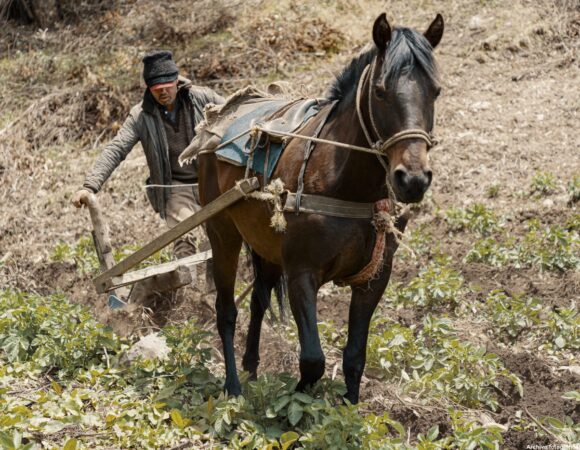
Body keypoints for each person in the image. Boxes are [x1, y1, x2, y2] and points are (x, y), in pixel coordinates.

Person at [72, 50, 223, 292]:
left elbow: (236, 115)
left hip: (211, 182)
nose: (163, 92)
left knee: (218, 239)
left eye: (167, 86)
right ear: (148, 88)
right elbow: (117, 148)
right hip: (173, 186)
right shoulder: (141, 115)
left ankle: (216, 296)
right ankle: (188, 296)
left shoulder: (202, 98)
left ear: (177, 81)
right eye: (157, 89)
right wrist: (89, 185)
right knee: (185, 235)